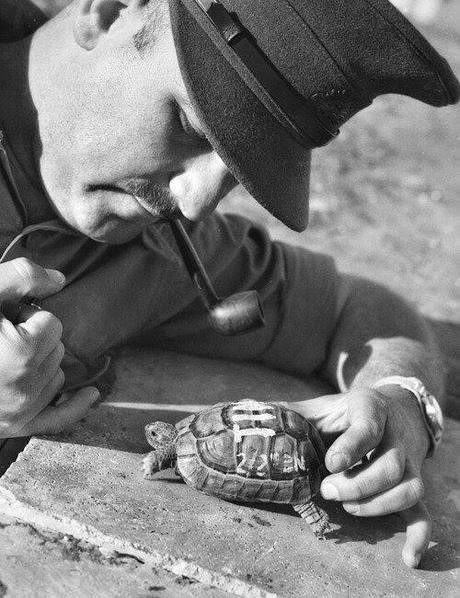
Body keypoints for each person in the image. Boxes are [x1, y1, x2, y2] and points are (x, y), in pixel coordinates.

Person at [0, 0, 456, 568]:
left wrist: (400, 403)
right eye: (189, 123)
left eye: (236, 171)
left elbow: (359, 309)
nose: (193, 202)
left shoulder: (161, 246)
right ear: (112, 11)